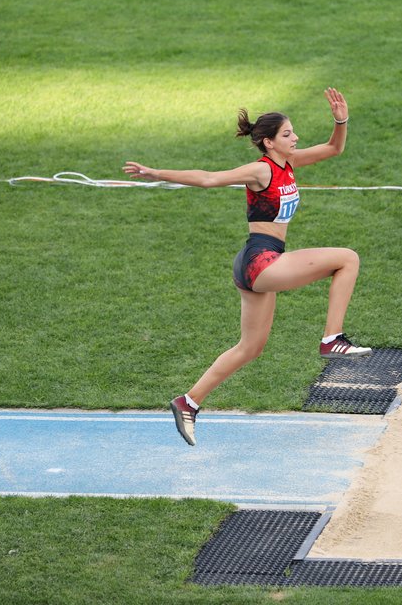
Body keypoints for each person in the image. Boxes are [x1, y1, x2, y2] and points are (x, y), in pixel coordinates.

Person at [122, 87, 371, 447]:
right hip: (261, 260)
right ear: (269, 143)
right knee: (347, 258)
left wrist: (340, 120)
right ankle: (332, 338)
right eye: (288, 134)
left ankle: (187, 402)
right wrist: (156, 172)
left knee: (250, 347)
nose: (296, 137)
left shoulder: (289, 163)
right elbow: (209, 178)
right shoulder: (261, 170)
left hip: (256, 265)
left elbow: (334, 148)